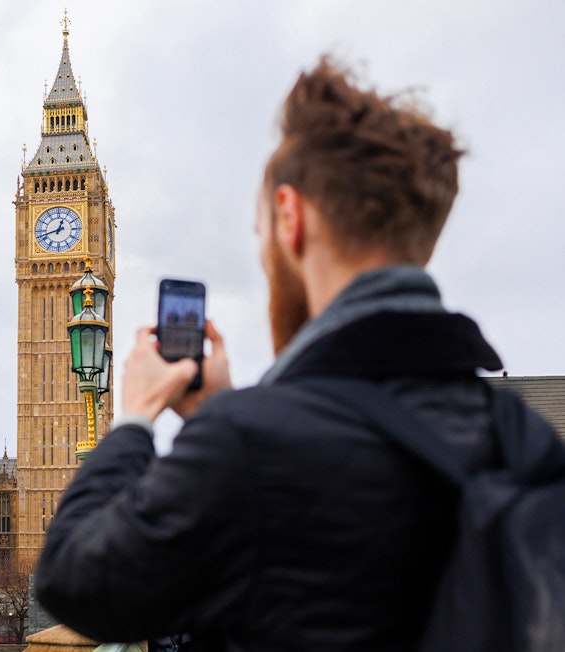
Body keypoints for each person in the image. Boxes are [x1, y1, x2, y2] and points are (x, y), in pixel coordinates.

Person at [34, 56, 521, 650]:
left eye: (260, 231)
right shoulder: (520, 440)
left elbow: (74, 581)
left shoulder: (248, 447)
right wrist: (229, 415)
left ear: (290, 221)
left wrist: (135, 416)